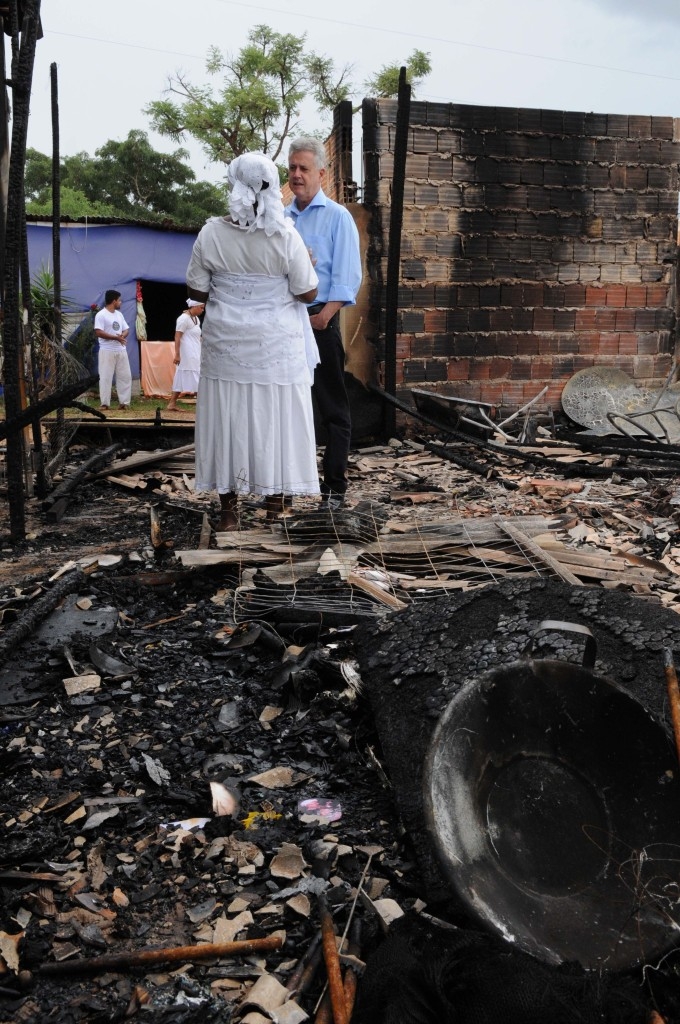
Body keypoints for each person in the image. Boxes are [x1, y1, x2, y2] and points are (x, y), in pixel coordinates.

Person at [186, 151, 320, 531]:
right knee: (275, 422)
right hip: (276, 350)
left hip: (226, 347)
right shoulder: (286, 236)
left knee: (228, 422)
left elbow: (197, 289)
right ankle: (276, 508)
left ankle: (229, 514)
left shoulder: (211, 233)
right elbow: (307, 292)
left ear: (236, 185)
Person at [285, 137, 362, 508]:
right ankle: (284, 489)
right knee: (288, 409)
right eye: (292, 168)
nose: (297, 175)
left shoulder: (337, 217)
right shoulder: (281, 219)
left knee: (332, 410)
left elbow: (347, 277)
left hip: (319, 324)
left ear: (321, 173)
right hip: (284, 328)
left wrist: (323, 318)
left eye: (304, 168)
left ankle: (333, 491)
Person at [93, 289, 131, 410]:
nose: (120, 302)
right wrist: (115, 338)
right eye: (119, 300)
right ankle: (105, 403)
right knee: (105, 376)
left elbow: (126, 329)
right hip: (107, 350)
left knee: (125, 376)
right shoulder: (101, 314)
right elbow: (98, 332)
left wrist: (122, 336)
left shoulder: (119, 315)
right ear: (114, 301)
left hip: (121, 349)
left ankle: (124, 403)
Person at [167, 298, 204, 411]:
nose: (203, 310)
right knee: (196, 376)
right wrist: (177, 354)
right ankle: (203, 405)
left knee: (186, 375)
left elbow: (197, 336)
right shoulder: (183, 319)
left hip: (195, 351)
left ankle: (172, 403)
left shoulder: (196, 319)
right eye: (201, 307)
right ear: (194, 306)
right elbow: (177, 336)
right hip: (187, 353)